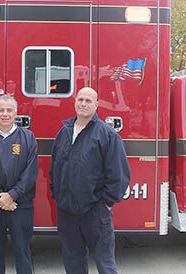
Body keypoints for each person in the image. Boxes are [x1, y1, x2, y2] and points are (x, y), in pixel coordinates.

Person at [49, 87, 131, 274]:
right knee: (73, 260)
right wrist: (58, 193)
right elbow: (54, 167)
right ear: (75, 102)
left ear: (96, 105)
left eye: (88, 101)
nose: (83, 104)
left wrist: (106, 203)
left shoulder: (107, 135)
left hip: (95, 212)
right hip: (67, 211)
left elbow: (119, 175)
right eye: (80, 99)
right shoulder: (64, 132)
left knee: (105, 263)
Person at [0, 94, 38, 274]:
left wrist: (12, 195)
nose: (5, 114)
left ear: (16, 113)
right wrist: (0, 198)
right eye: (1, 110)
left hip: (21, 204)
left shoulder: (28, 138)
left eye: (9, 110)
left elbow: (30, 172)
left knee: (22, 250)